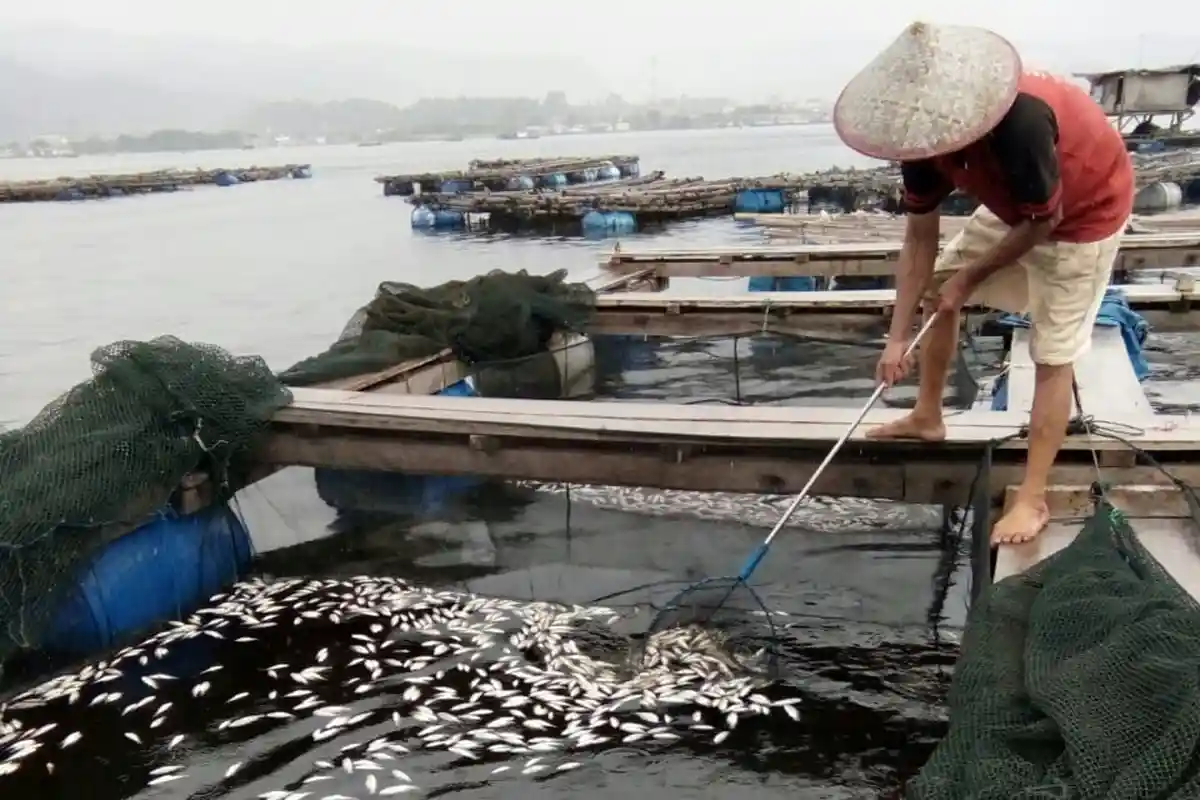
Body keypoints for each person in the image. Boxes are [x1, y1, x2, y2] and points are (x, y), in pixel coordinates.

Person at [831, 22, 1135, 545]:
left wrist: (972, 278)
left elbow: (1044, 220)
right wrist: (898, 335)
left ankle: (1032, 496)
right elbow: (919, 240)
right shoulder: (920, 142)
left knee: (1053, 352)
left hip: (1085, 212)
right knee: (938, 288)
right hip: (1014, 207)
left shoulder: (1021, 121)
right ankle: (927, 414)